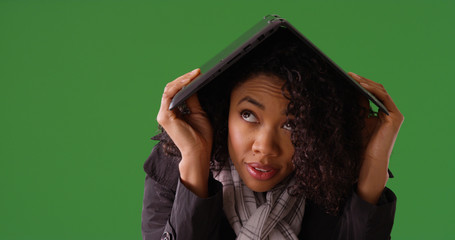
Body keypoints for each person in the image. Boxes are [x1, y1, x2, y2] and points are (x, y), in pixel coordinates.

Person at [141, 37, 404, 240]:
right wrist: (195, 163)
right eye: (248, 115)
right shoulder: (172, 168)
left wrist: (372, 164)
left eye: (291, 123)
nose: (265, 147)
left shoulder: (331, 175)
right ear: (222, 112)